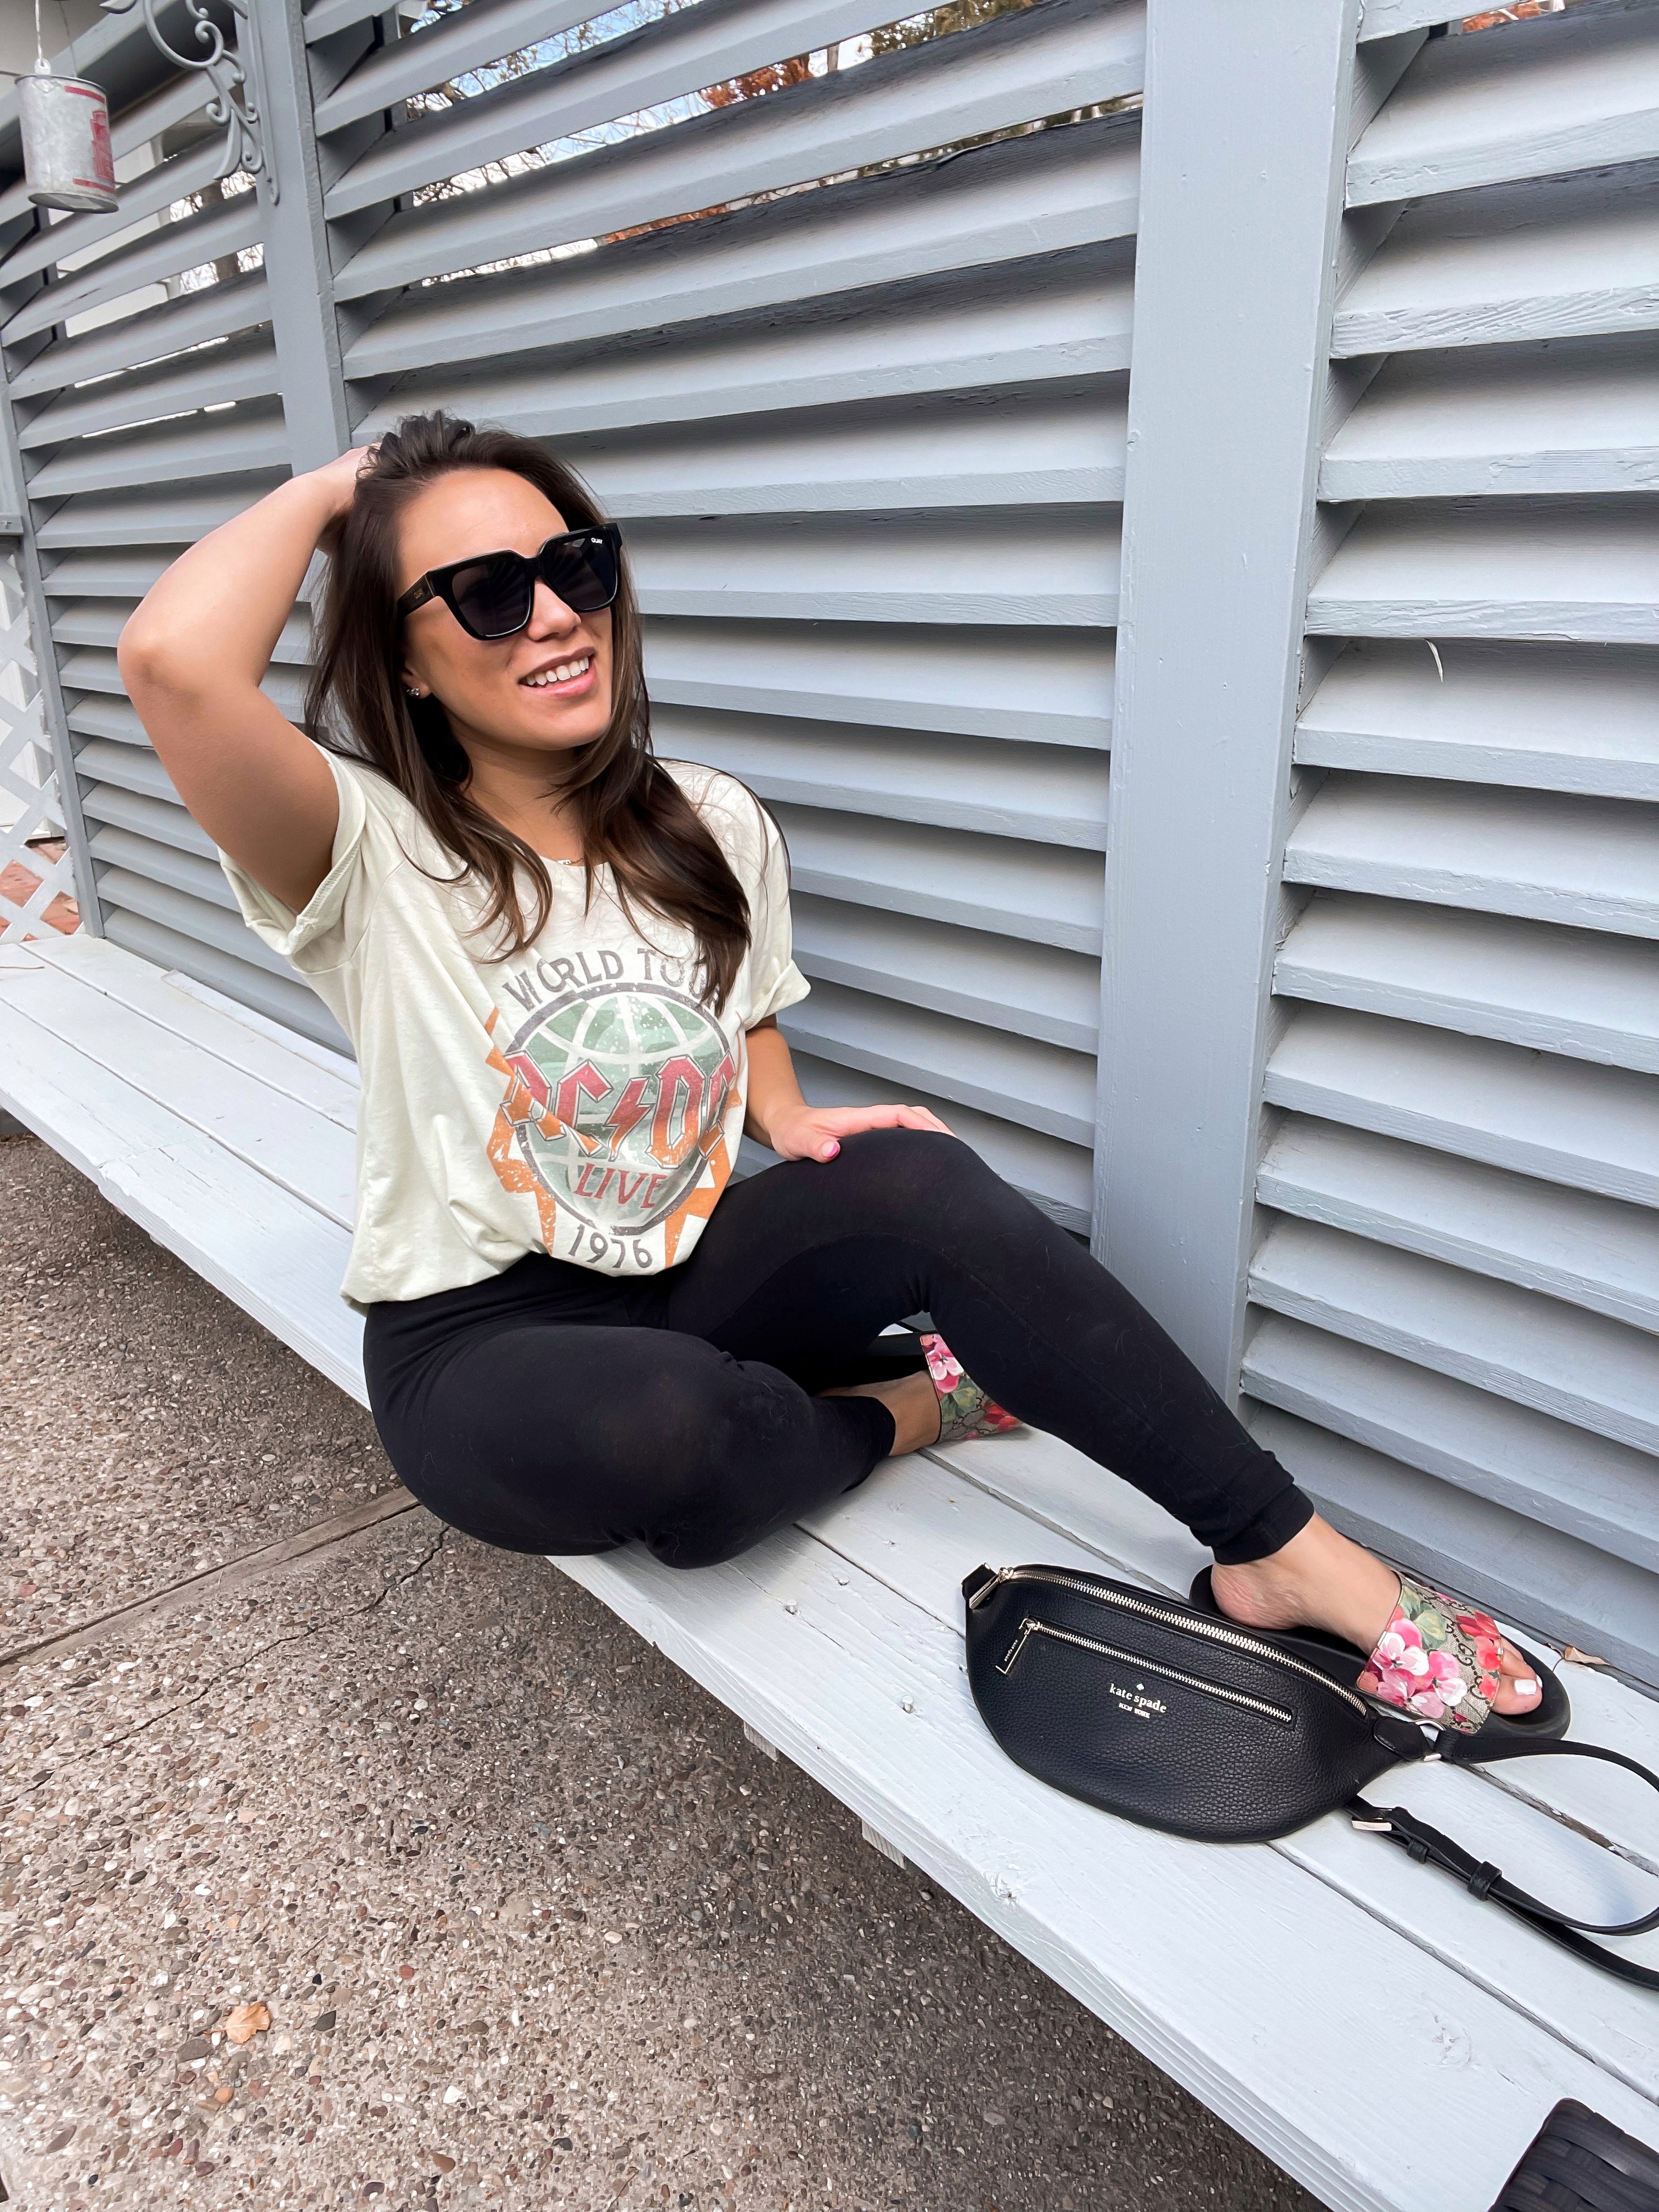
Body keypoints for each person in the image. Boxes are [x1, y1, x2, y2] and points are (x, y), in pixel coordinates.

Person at [115, 410, 1544, 1736]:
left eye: (575, 567)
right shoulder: (360, 843)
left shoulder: (707, 820)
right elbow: (173, 663)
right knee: (680, 1432)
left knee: (917, 1175)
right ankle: (908, 1409)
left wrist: (788, 1116)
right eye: (486, 592)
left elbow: (734, 1007)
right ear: (409, 659)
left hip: (679, 1274)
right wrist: (343, 489)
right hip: (480, 1337)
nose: (552, 614)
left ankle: (1277, 1552)